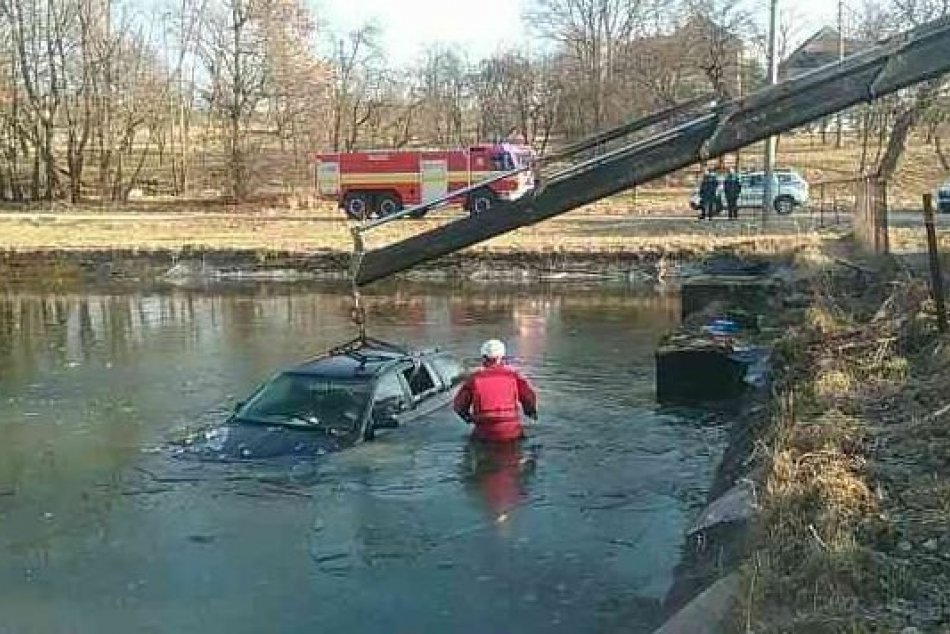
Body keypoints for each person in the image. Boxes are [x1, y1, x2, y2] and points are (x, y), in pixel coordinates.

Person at [453, 339, 537, 442]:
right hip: (511, 431)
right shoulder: (514, 376)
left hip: (484, 432)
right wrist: (530, 412)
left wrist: (468, 418)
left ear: (483, 357)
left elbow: (459, 406)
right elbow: (529, 398)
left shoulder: (474, 378)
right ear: (501, 357)